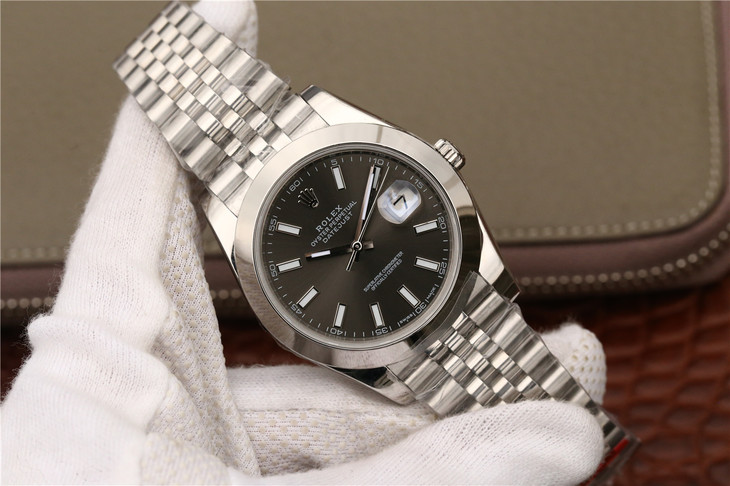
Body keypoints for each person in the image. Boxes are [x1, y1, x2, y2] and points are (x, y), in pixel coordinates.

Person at [1, 1, 606, 484]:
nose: (354, 251)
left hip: (453, 295)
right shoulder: (254, 238)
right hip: (389, 328)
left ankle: (596, 448)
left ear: (432, 162)